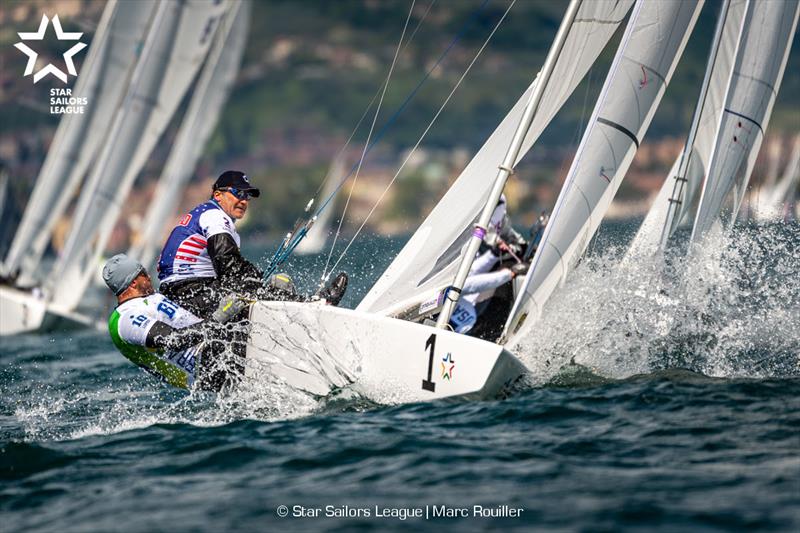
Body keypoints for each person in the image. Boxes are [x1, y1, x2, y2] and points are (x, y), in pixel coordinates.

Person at [157, 170, 348, 318]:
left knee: (257, 287)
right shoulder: (214, 216)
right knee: (247, 290)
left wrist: (255, 281)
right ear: (217, 195)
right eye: (237, 193)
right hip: (189, 293)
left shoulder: (208, 216)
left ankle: (307, 305)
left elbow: (228, 270)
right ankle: (313, 305)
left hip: (186, 290)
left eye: (247, 196)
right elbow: (227, 263)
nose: (243, 200)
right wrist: (255, 282)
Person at [103, 254, 248, 391]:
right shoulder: (125, 319)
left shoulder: (150, 298)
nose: (149, 277)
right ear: (134, 282)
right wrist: (218, 318)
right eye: (144, 273)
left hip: (215, 347)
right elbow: (174, 340)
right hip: (204, 369)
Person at [449, 195, 530, 339]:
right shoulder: (463, 233)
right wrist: (508, 274)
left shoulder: (502, 217)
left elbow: (469, 275)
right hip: (449, 296)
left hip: (465, 304)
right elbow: (465, 283)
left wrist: (495, 254)